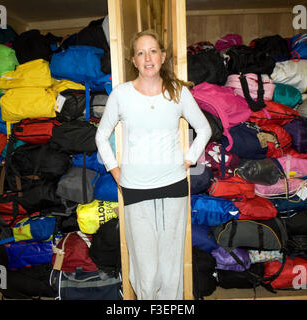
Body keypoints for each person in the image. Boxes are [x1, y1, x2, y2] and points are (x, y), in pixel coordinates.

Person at [95, 29, 211, 300]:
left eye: (153, 51)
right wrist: (115, 171)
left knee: (171, 262)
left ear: (163, 56)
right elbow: (101, 136)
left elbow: (204, 129)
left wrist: (189, 159)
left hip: (174, 185)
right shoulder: (121, 94)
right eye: (140, 52)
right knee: (145, 265)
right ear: (133, 61)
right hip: (135, 187)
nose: (147, 58)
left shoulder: (178, 92)